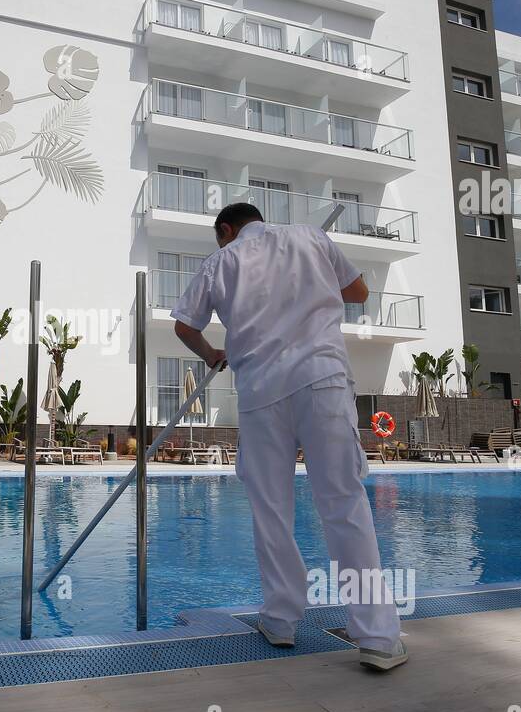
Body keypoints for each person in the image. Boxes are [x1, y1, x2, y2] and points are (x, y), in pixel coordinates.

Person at [171, 202, 406, 671]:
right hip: (321, 379)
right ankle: (378, 637)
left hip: (260, 391)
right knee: (343, 501)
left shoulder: (221, 261)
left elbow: (184, 325)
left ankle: (280, 620)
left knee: (270, 508)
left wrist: (213, 352)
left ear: (226, 229)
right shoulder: (310, 238)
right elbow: (358, 291)